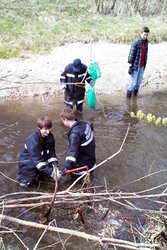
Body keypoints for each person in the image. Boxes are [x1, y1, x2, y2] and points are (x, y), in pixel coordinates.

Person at [17, 116, 59, 188]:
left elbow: (52, 153)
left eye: (49, 128)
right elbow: (37, 161)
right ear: (39, 128)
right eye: (45, 129)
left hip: (40, 161)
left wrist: (55, 167)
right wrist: (51, 172)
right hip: (27, 165)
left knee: (43, 179)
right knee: (26, 186)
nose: (48, 131)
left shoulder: (50, 137)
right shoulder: (33, 141)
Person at [59, 108, 96, 177]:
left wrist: (65, 168)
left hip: (82, 169)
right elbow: (91, 126)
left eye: (62, 121)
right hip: (92, 163)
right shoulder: (85, 124)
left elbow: (72, 154)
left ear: (65, 120)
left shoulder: (75, 134)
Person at [127, 26, 150, 98]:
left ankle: (134, 97)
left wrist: (144, 66)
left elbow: (145, 54)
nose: (145, 36)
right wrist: (130, 66)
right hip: (135, 66)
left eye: (146, 35)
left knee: (138, 83)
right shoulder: (136, 42)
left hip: (142, 66)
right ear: (141, 33)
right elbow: (131, 54)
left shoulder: (146, 42)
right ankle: (128, 99)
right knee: (132, 83)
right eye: (144, 34)